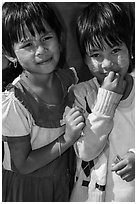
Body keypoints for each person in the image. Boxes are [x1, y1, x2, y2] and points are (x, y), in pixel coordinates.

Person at [2, 2, 85, 202]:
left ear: (60, 38)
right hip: (29, 189)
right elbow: (23, 164)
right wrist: (68, 138)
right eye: (27, 44)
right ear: (10, 55)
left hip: (63, 182)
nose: (41, 50)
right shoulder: (14, 102)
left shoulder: (69, 80)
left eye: (46, 37)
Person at [69, 2, 135, 202]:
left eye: (115, 50)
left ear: (130, 47)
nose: (107, 64)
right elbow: (85, 151)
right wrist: (106, 100)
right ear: (85, 59)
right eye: (96, 55)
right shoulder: (81, 94)